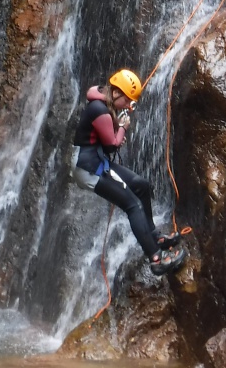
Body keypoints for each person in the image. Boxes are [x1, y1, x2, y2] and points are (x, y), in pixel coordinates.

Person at [71, 69, 185, 275]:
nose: (128, 106)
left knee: (141, 186)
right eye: (127, 101)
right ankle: (156, 258)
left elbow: (106, 144)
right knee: (132, 205)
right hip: (88, 169)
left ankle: (154, 235)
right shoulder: (99, 109)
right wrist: (122, 127)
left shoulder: (103, 104)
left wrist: (115, 132)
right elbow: (113, 143)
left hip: (96, 160)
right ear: (116, 93)